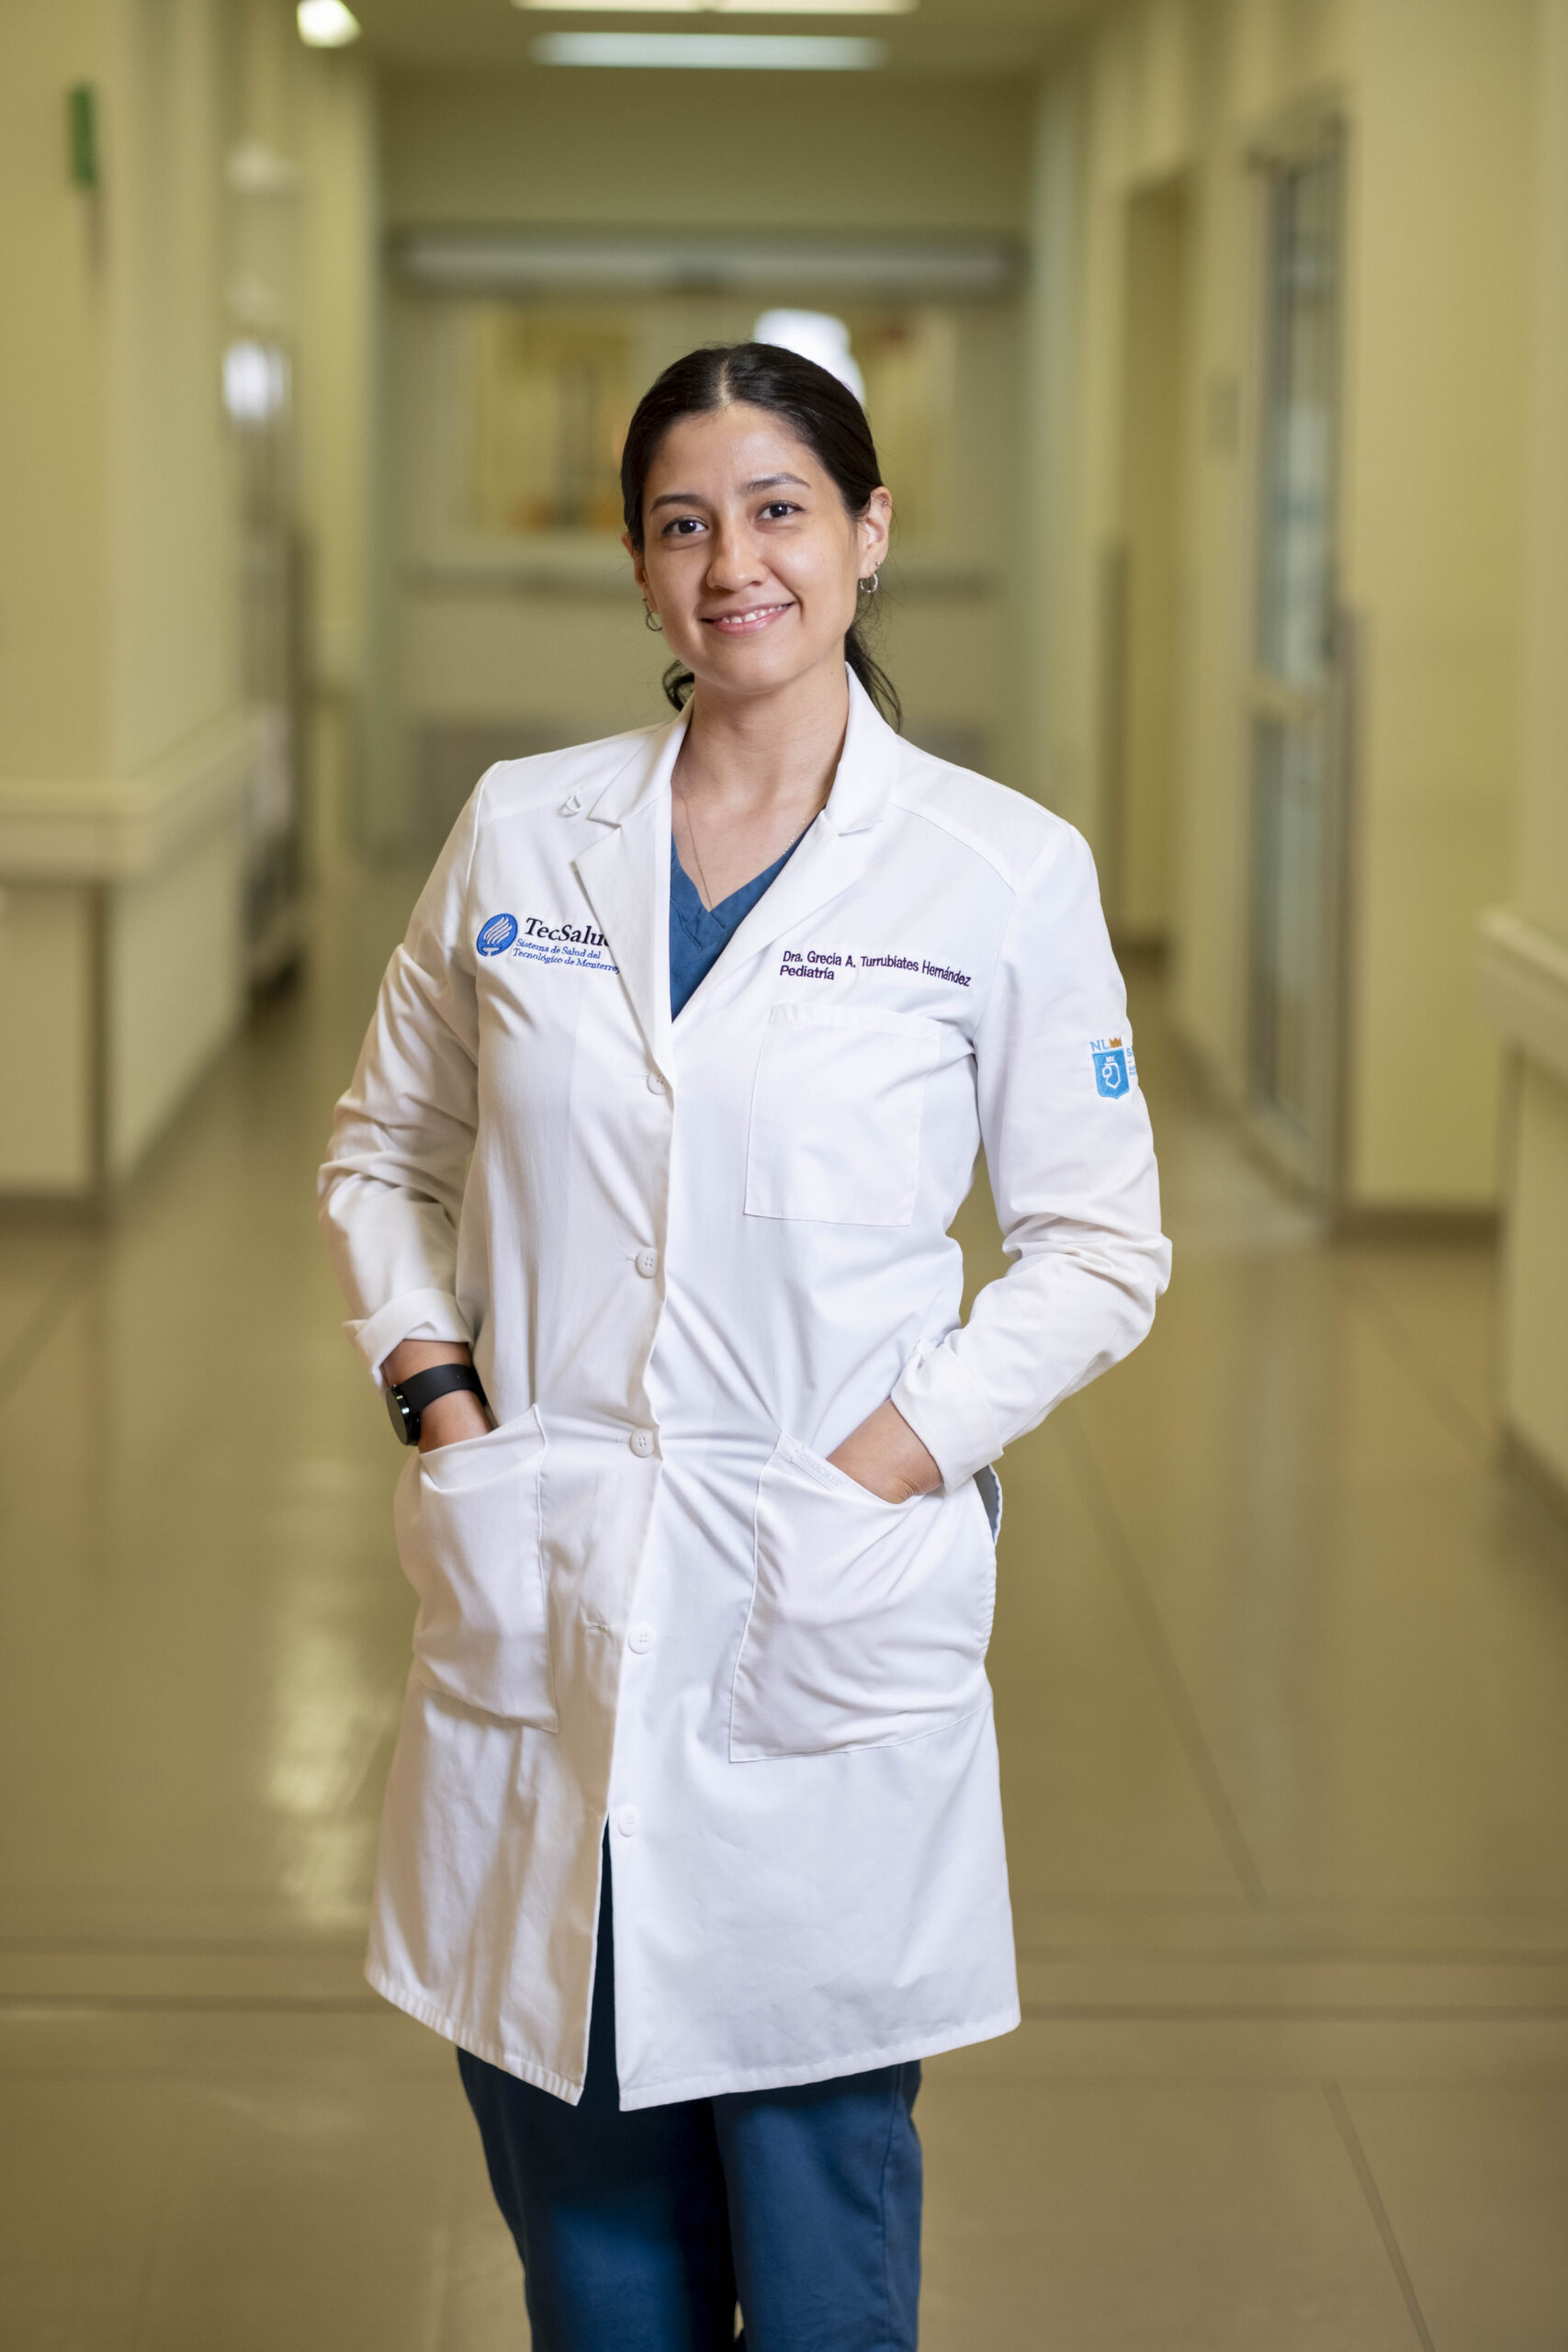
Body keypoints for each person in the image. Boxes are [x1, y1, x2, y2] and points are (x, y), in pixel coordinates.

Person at [318, 341, 1169, 2351]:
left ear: (868, 534)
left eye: (779, 511)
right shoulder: (522, 831)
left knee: (816, 2245)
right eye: (682, 523)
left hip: (813, 1607)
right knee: (589, 2235)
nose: (733, 565)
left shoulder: (997, 868)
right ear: (638, 566)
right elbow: (383, 1149)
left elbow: (1098, 1248)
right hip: (550, 1598)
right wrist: (438, 1395)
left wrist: (886, 1461)